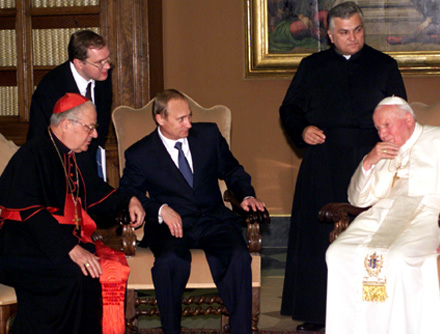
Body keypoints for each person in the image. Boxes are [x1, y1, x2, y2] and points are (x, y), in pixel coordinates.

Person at [279, 1, 406, 330]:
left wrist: (387, 146)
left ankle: (373, 312)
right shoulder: (311, 66)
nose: (354, 38)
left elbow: (400, 114)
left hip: (371, 160)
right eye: (345, 32)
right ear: (330, 35)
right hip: (323, 160)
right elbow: (289, 109)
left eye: (359, 30)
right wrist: (303, 129)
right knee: (319, 237)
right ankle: (318, 313)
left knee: (371, 237)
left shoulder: (384, 65)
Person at [325, 96, 440, 333]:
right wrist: (369, 160)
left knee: (398, 257)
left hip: (431, 214)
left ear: (408, 119)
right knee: (338, 252)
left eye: (386, 125)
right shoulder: (382, 151)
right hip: (382, 212)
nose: (381, 133)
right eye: (378, 127)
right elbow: (358, 200)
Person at [119, 89, 266, 334]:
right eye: (181, 119)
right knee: (169, 262)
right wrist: (160, 209)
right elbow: (126, 193)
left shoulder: (208, 136)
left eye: (189, 116)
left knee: (238, 256)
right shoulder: (140, 153)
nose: (188, 123)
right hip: (171, 227)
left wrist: (247, 195)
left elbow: (232, 170)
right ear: (160, 119)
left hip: (213, 220)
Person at [0, 93, 145, 334]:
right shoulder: (32, 155)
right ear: (66, 125)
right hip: (20, 246)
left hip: (54, 242)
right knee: (75, 276)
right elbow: (31, 212)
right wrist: (69, 248)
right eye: (90, 128)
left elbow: (96, 194)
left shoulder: (74, 155)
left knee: (90, 272)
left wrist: (128, 200)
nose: (96, 135)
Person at [27, 29, 112, 172]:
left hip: (90, 162)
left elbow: (101, 126)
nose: (108, 66)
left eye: (108, 59)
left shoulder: (103, 78)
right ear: (79, 63)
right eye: (100, 62)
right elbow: (41, 138)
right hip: (57, 166)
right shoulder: (51, 87)